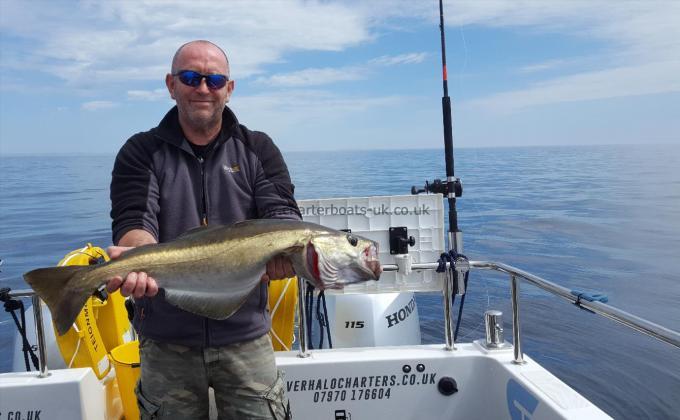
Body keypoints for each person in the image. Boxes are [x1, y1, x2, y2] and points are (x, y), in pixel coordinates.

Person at [107, 40, 300, 419]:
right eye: (191, 77)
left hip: (245, 338)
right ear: (171, 84)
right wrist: (137, 258)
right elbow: (135, 220)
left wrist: (287, 254)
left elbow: (281, 214)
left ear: (229, 88)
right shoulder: (141, 151)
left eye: (214, 80)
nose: (203, 89)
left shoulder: (258, 148)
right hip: (165, 341)